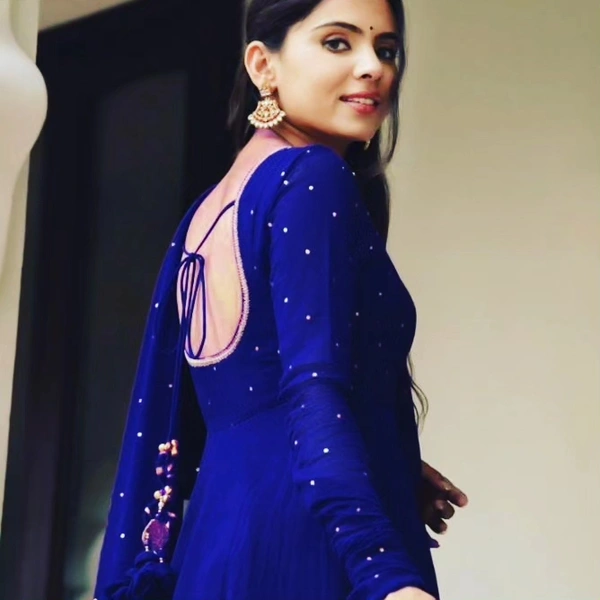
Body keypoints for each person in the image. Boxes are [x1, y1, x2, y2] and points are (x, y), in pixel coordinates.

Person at [93, 0, 468, 599]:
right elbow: (310, 391)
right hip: (307, 547)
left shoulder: (205, 215)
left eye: (387, 49)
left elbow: (240, 404)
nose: (373, 67)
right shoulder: (310, 178)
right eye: (338, 42)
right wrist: (386, 575)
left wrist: (384, 458)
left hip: (216, 548)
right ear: (263, 66)